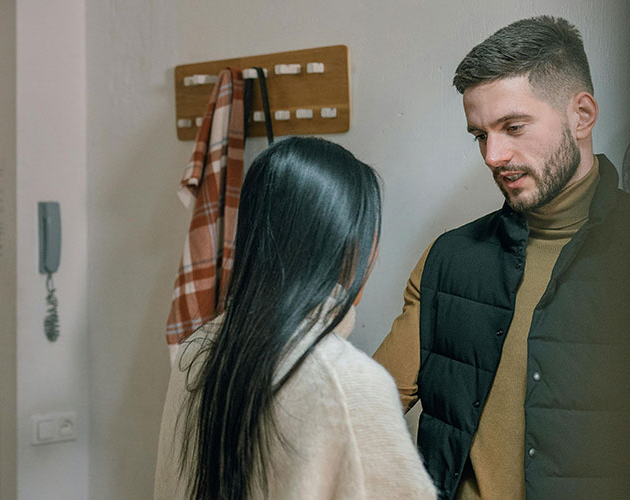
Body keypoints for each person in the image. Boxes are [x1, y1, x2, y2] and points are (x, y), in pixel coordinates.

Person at [373, 16, 630, 500]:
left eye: (513, 127)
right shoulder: (449, 259)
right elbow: (363, 412)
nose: (493, 155)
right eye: (480, 135)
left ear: (581, 115)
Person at [154, 137, 437, 500]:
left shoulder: (197, 349)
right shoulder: (349, 383)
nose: (374, 255)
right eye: (370, 236)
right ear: (347, 246)